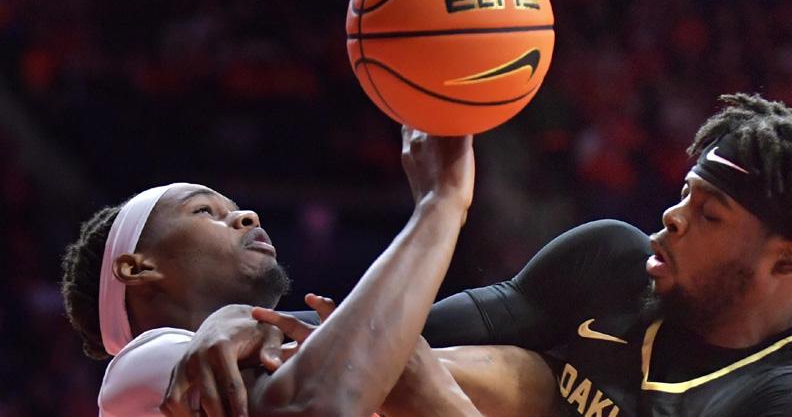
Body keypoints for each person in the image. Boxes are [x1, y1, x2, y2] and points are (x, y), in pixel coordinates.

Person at [181, 94, 792, 416]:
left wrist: (438, 405)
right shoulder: (612, 262)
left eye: (709, 215)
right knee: (451, 367)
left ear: (785, 262)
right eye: (684, 194)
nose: (672, 218)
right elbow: (391, 338)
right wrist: (244, 322)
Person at [60, 128, 481, 416]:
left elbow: (517, 372)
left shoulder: (312, 359)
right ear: (137, 267)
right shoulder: (143, 366)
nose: (247, 216)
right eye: (204, 211)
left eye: (233, 208)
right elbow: (319, 407)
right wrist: (440, 203)